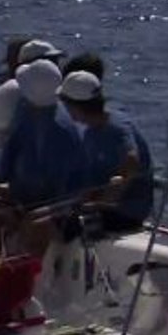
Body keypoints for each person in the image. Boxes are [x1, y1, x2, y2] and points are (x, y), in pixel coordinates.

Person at [0, 59, 85, 260]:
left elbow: (62, 190)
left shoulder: (63, 130)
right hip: (24, 198)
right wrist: (4, 193)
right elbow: (7, 168)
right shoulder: (24, 117)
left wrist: (23, 202)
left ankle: (26, 283)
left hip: (60, 205)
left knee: (33, 225)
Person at [58, 71, 151, 232]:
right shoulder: (90, 132)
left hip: (126, 213)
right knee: (38, 214)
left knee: (50, 225)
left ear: (76, 106)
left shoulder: (117, 126)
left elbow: (132, 159)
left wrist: (108, 199)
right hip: (99, 208)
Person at [0, 39, 66, 187]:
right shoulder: (18, 92)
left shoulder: (16, 88)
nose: (56, 67)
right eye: (51, 62)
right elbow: (26, 143)